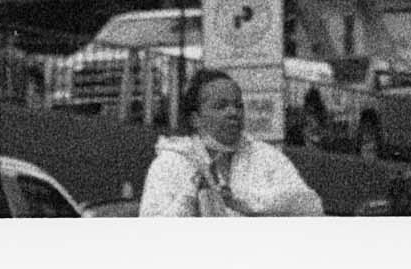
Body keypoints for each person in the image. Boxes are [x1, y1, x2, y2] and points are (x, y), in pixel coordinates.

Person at [139, 71, 324, 217]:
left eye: (238, 105)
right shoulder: (170, 163)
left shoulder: (265, 156)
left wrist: (242, 202)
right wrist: (190, 197)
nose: (233, 112)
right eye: (221, 106)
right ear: (196, 119)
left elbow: (311, 207)